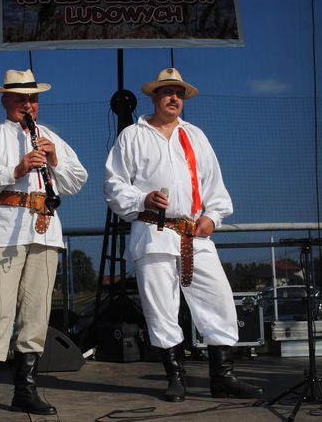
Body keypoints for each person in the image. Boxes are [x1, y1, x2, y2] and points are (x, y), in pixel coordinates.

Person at [103, 68, 263, 402]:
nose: (174, 98)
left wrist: (213, 217)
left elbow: (214, 186)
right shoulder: (133, 136)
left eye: (179, 93)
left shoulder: (196, 136)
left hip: (194, 235)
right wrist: (142, 199)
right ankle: (175, 378)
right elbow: (114, 185)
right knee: (161, 308)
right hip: (153, 231)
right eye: (167, 92)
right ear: (154, 97)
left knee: (218, 301)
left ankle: (223, 376)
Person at [0, 69, 87, 420]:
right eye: (21, 98)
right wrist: (16, 169)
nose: (28, 104)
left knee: (35, 313)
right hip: (2, 230)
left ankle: (25, 391)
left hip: (44, 229)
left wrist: (53, 159)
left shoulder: (49, 136)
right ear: (4, 100)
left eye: (33, 99)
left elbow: (77, 180)